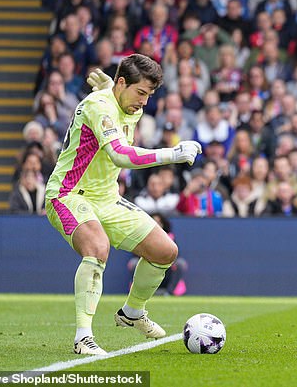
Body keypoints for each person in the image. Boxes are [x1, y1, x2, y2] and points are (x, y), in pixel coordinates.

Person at [44, 56, 202, 355]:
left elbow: (118, 113)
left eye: (149, 96)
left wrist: (113, 90)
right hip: (68, 193)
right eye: (141, 93)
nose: (143, 102)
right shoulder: (98, 106)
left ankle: (132, 312)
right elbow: (121, 155)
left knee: (165, 252)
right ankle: (83, 337)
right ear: (121, 83)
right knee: (97, 247)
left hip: (106, 198)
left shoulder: (126, 104)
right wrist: (174, 153)